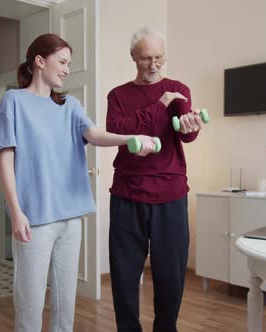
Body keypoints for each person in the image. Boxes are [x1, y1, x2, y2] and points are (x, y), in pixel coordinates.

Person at [0, 33, 156, 332]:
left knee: (64, 304)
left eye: (69, 63)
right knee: (29, 305)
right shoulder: (13, 101)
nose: (68, 69)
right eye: (63, 62)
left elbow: (94, 135)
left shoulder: (70, 105)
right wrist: (16, 212)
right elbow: (6, 159)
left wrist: (131, 139)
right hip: (34, 219)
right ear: (40, 61)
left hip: (70, 217)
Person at [106, 27, 204, 332]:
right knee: (123, 274)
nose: (153, 64)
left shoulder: (179, 89)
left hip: (170, 194)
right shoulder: (118, 95)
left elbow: (187, 136)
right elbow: (119, 131)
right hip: (127, 194)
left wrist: (191, 125)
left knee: (170, 275)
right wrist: (160, 103)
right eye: (146, 58)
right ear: (133, 57)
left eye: (158, 57)